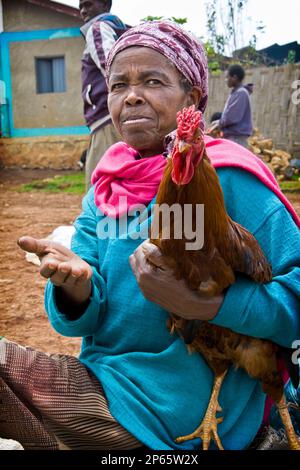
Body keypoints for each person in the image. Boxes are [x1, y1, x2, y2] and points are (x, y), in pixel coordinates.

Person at [2, 21, 300, 451]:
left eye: (153, 81)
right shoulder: (106, 187)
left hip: (190, 412)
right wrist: (77, 288)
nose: (132, 95)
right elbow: (79, 318)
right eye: (119, 84)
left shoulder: (231, 178)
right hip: (103, 385)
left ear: (192, 98)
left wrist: (210, 305)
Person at [79, 0, 128, 190]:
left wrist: (120, 97)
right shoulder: (118, 30)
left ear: (105, 5)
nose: (83, 11)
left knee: (99, 184)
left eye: (88, 4)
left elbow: (112, 68)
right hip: (115, 114)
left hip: (105, 117)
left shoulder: (97, 28)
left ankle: (102, 219)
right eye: (81, 6)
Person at [217, 64, 253, 148]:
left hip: (237, 138)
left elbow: (231, 118)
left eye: (227, 77)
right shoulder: (236, 92)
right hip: (233, 137)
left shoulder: (241, 93)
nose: (226, 80)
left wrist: (219, 123)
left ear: (235, 77)